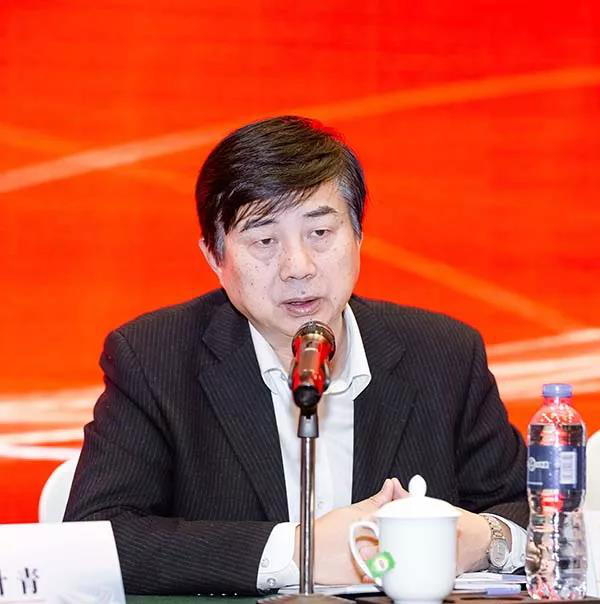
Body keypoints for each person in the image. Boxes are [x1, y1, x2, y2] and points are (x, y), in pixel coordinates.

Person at [64, 116, 528, 595]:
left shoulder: (444, 354)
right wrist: (297, 551)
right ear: (214, 257)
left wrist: (484, 538)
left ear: (358, 236)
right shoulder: (154, 358)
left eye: (320, 232)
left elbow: (530, 512)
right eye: (264, 241)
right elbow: (96, 537)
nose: (298, 267)